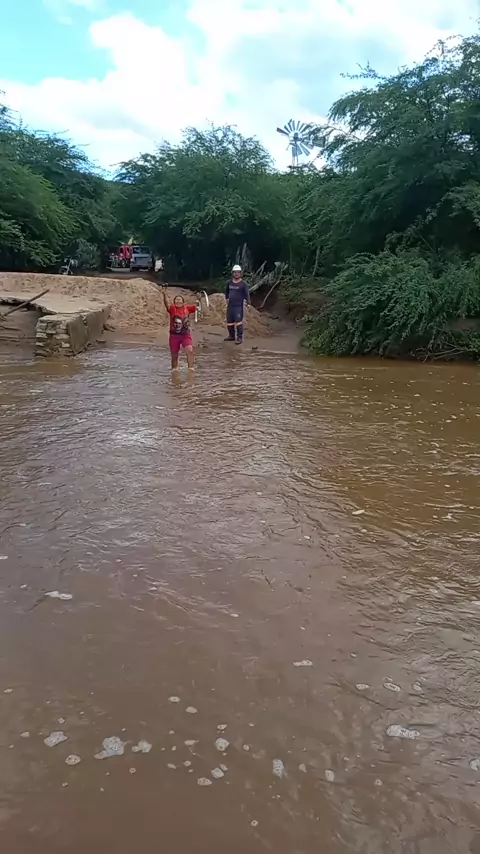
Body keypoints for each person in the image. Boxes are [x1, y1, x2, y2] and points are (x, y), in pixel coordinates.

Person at [162, 286, 197, 370]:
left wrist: (200, 300)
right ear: (174, 302)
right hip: (174, 336)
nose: (178, 301)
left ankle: (191, 369)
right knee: (174, 356)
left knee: (190, 350)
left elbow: (198, 308)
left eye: (179, 299)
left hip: (185, 335)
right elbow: (166, 304)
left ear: (183, 302)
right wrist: (164, 294)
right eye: (176, 300)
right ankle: (174, 370)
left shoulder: (188, 308)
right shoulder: (172, 308)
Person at [225, 265, 251, 344]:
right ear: (232, 273)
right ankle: (231, 336)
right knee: (229, 322)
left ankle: (239, 338)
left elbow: (247, 294)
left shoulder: (243, 284)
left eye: (238, 272)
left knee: (238, 322)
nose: (236, 274)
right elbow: (226, 291)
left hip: (238, 306)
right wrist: (226, 298)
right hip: (230, 306)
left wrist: (248, 303)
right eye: (235, 272)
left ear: (240, 273)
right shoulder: (229, 282)